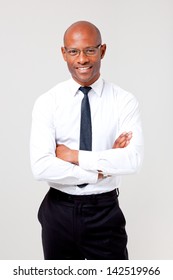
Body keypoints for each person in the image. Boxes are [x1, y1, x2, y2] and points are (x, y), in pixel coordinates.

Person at [30, 20, 143, 260]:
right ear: (64, 54)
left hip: (104, 212)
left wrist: (74, 156)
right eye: (74, 51)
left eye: (90, 50)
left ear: (102, 51)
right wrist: (100, 169)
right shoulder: (48, 102)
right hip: (58, 211)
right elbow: (41, 166)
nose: (82, 59)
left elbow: (132, 160)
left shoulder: (124, 101)